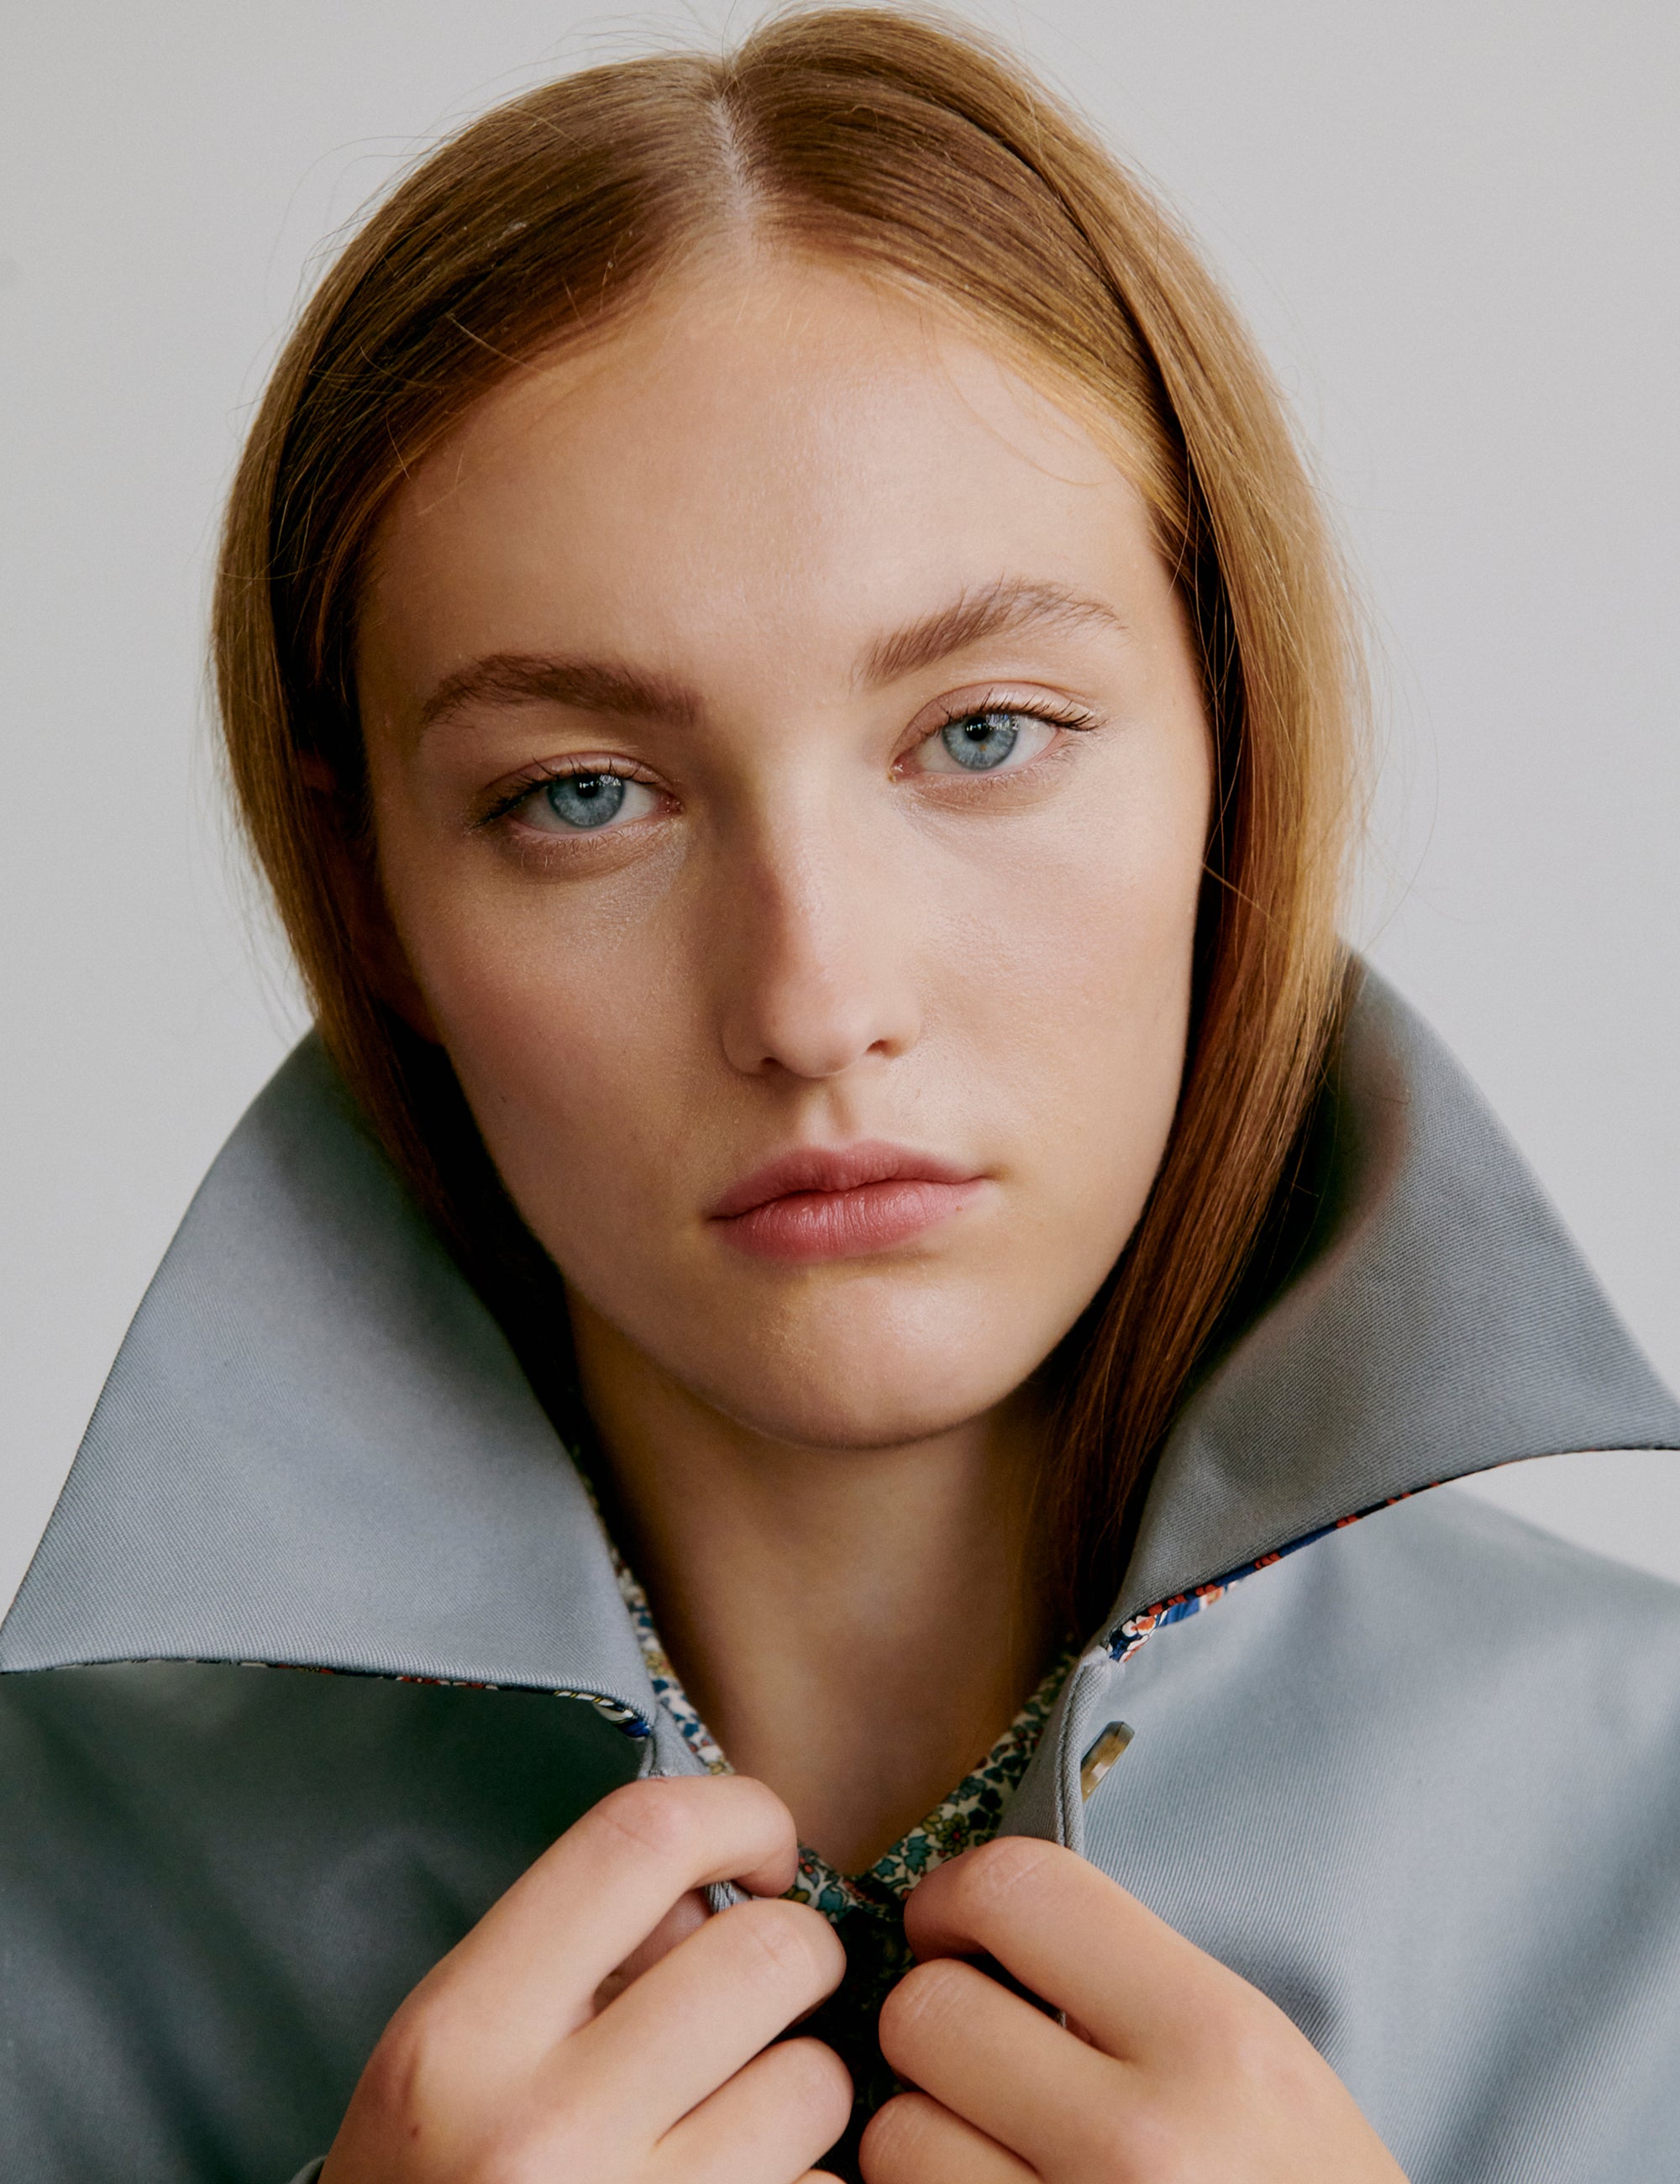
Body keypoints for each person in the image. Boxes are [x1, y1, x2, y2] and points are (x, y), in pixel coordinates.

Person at [2, 8, 1677, 2180]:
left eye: (984, 734)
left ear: (1234, 762)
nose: (813, 1001)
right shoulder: (46, 1892)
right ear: (373, 897)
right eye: (582, 793)